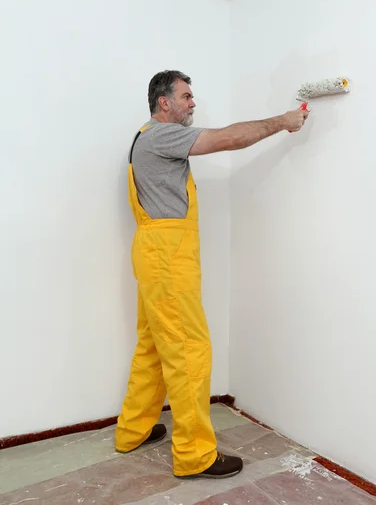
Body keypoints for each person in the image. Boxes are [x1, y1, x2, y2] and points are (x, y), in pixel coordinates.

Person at [115, 70, 309, 479]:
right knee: (188, 351)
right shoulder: (160, 135)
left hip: (155, 254)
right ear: (163, 102)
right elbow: (226, 138)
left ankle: (132, 431)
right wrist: (282, 122)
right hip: (167, 256)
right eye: (186, 96)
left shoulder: (144, 138)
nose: (193, 102)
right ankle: (195, 455)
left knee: (153, 347)